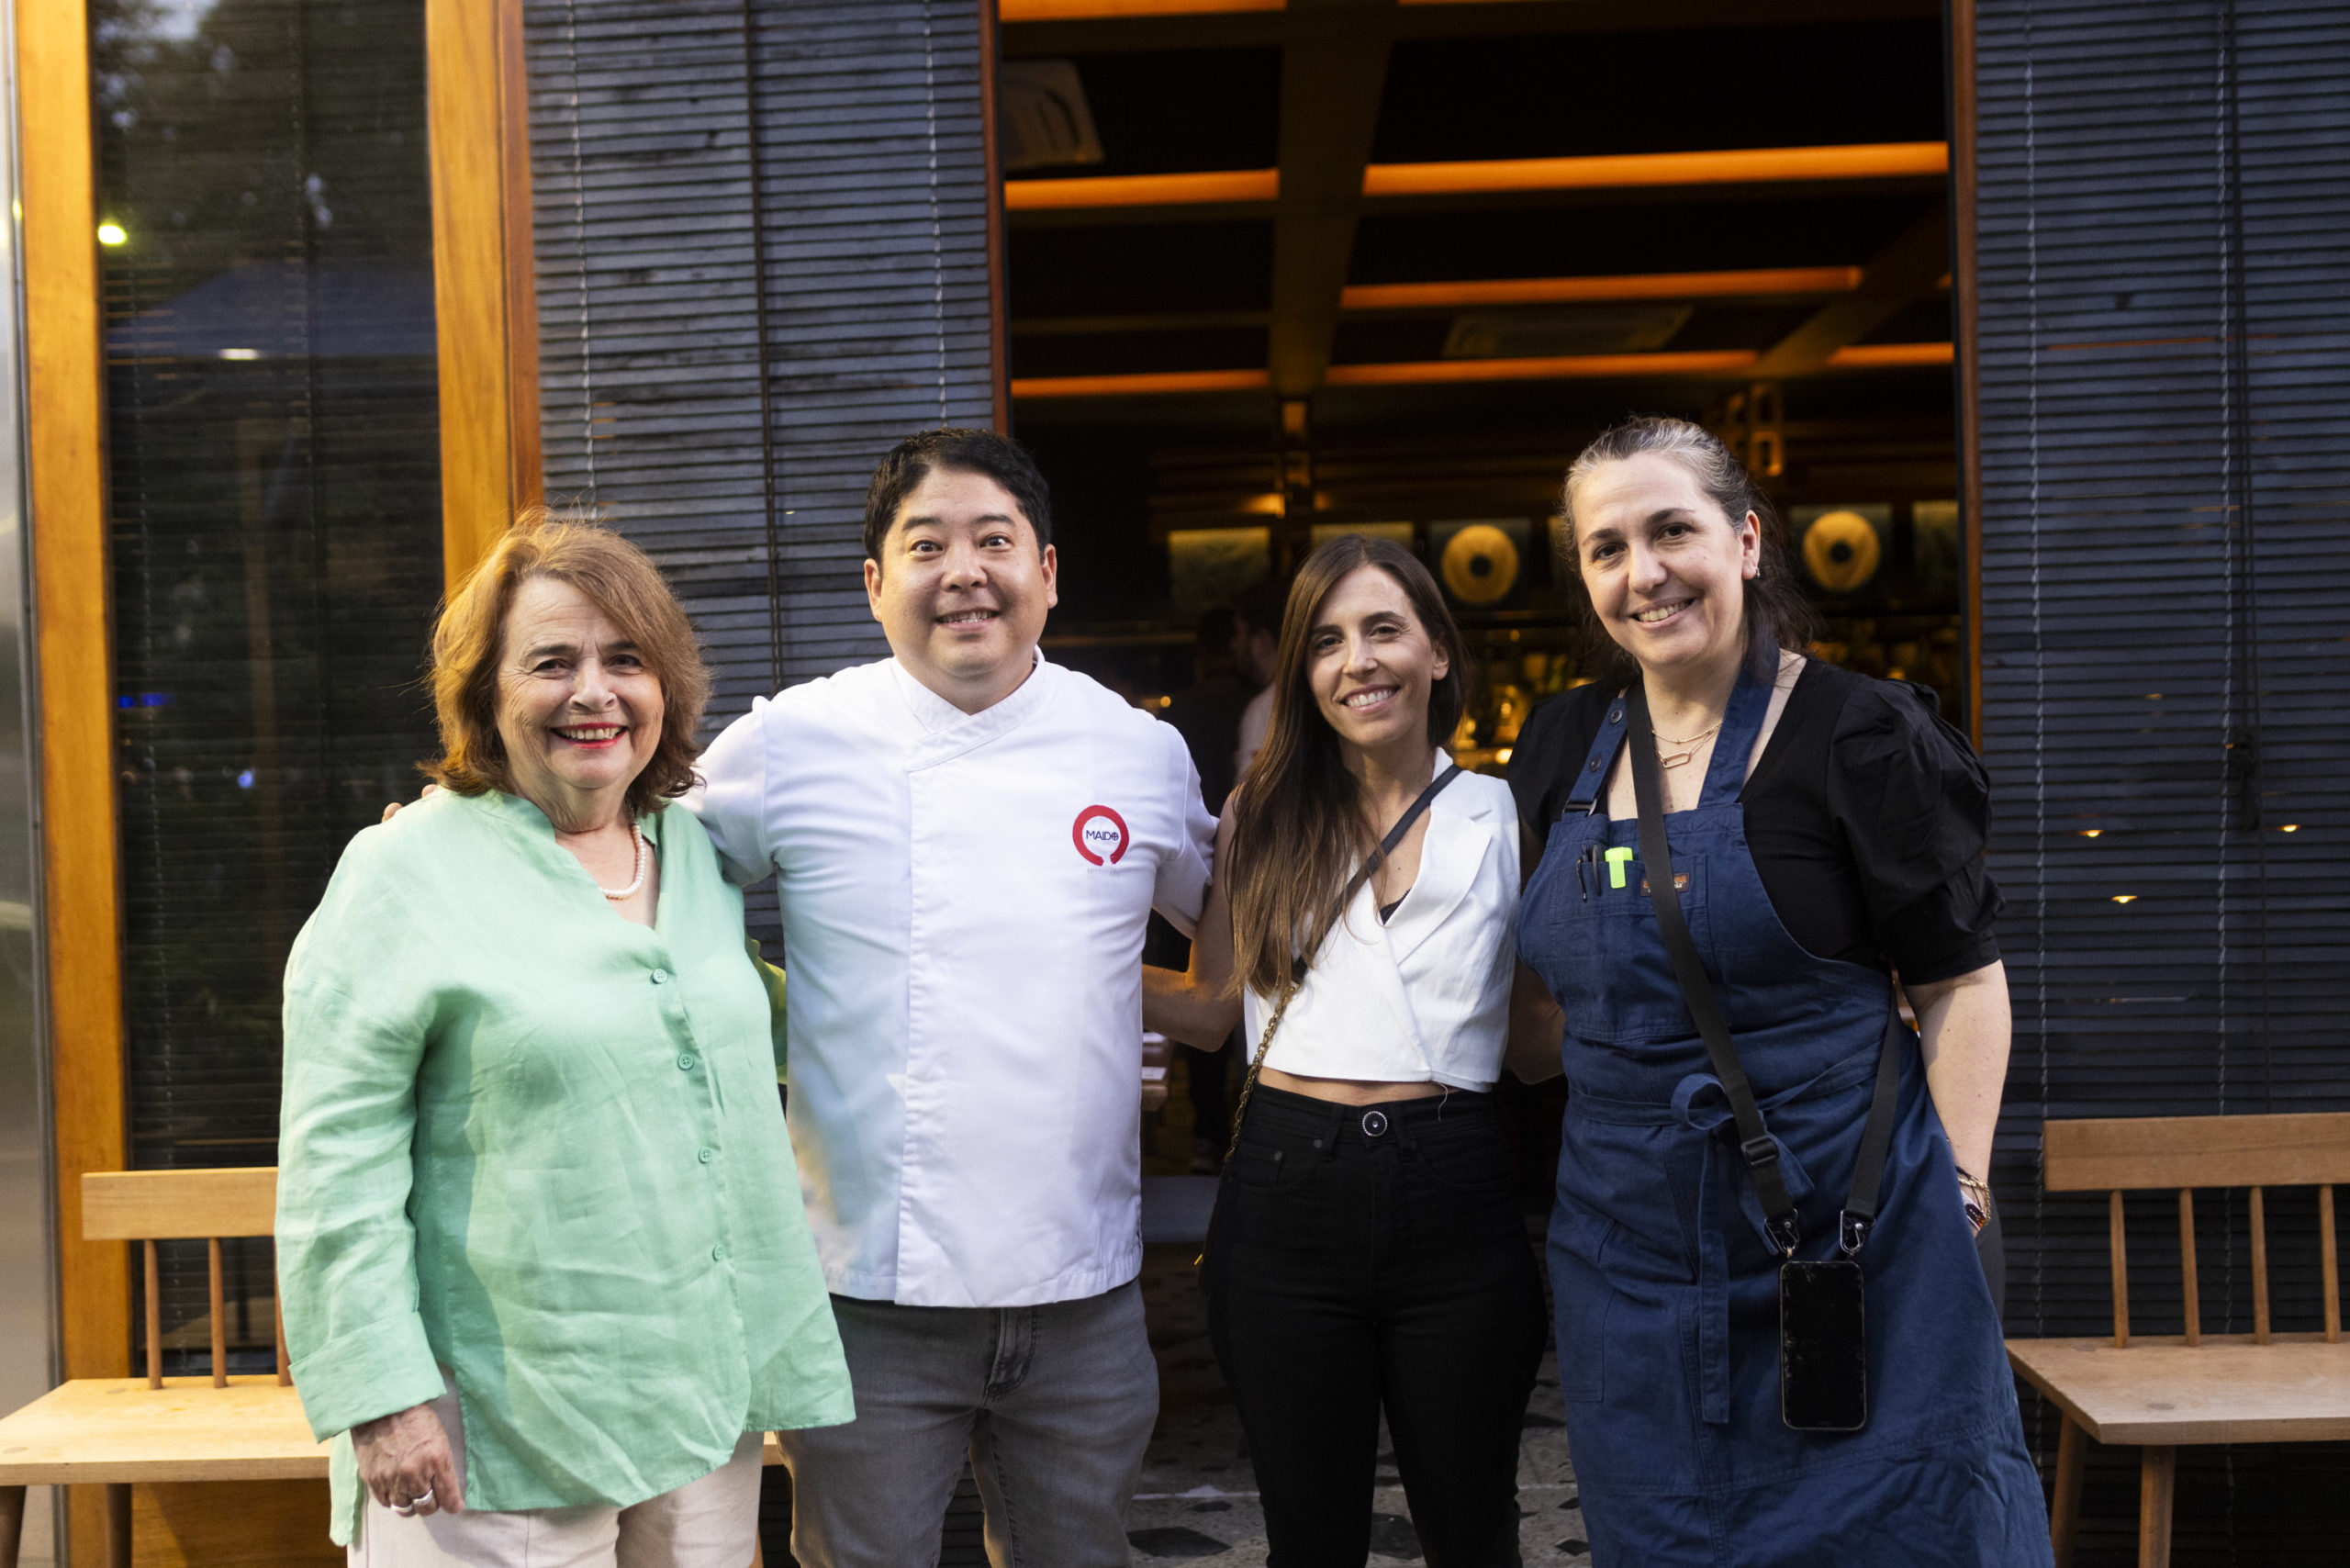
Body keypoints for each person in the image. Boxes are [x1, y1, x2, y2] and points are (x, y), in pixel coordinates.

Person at [1508, 418, 2050, 1565]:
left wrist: (1955, 1190)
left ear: (1745, 541)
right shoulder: (1558, 744)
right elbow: (1539, 1009)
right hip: (1629, 1266)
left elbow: (1962, 981)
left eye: (1671, 531)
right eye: (1606, 548)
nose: (1642, 573)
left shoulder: (1861, 734)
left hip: (1853, 1248)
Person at [277, 515, 853, 1564]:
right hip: (497, 1422)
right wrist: (382, 1394)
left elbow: (736, 1026)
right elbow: (333, 1162)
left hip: (697, 1399)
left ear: (665, 685)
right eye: (552, 661)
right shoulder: (403, 871)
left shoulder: (689, 851)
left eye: (625, 659)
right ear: (487, 692)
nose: (594, 692)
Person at [687, 428, 1216, 1566]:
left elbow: (1230, 919)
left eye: (994, 540)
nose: (964, 570)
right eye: (927, 545)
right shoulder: (790, 742)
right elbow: (641, 874)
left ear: (1049, 572)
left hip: (1084, 1290)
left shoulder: (1136, 751)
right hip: (866, 1299)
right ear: (876, 584)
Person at [1147, 535, 1552, 1566]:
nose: (1356, 660)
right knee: (1308, 1540)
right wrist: (1040, 957)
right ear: (1302, 674)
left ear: (1438, 652)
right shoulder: (1261, 814)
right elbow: (1207, 1008)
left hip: (1455, 1190)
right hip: (1285, 1193)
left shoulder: (1503, 814)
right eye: (1326, 641)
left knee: (1474, 1531)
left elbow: (1536, 1046)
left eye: (1383, 629)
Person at [1229, 574, 1285, 779]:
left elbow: (1250, 804)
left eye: (1238, 634)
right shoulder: (1321, 698)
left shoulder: (1262, 710)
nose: (1234, 645)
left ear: (1262, 642)